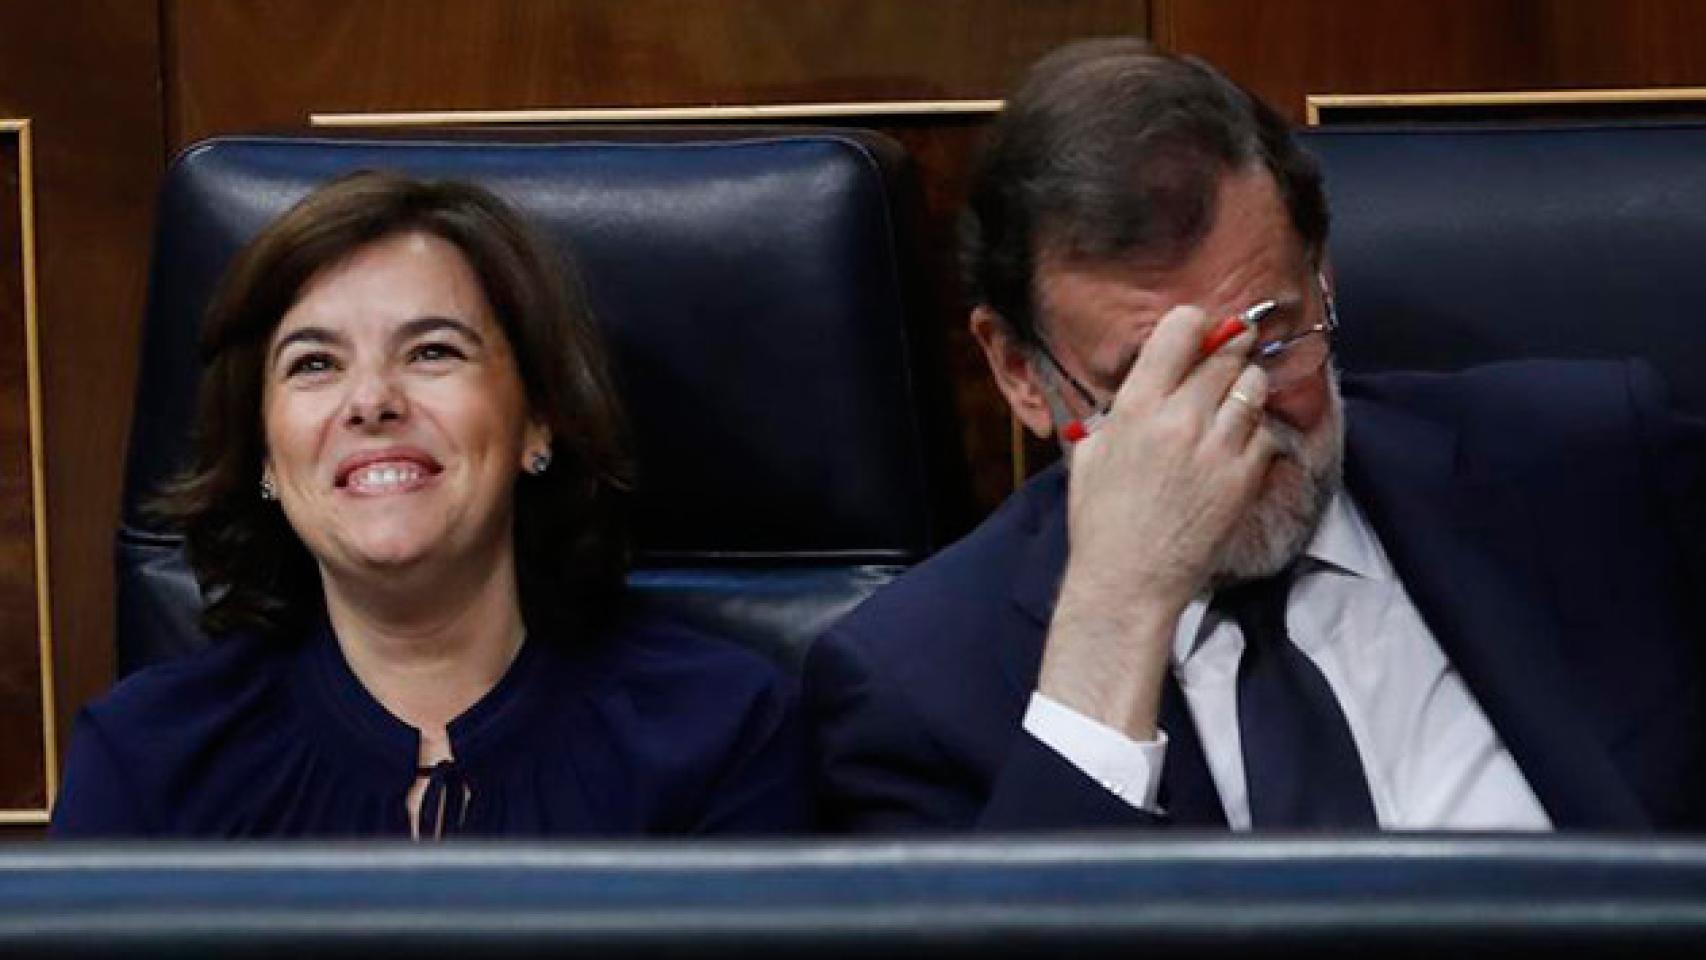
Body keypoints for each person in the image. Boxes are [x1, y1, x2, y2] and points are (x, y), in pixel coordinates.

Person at [806, 38, 1706, 832]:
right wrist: (1118, 614)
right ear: (1017, 372)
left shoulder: (1594, 466)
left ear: (1322, 276)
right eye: (1154, 385)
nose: (1236, 419)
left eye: (1271, 340)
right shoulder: (912, 686)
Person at [54, 171, 806, 838]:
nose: (372, 401)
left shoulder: (719, 733)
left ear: (537, 421)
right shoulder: (147, 760)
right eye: (314, 363)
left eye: (432, 352)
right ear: (265, 456)